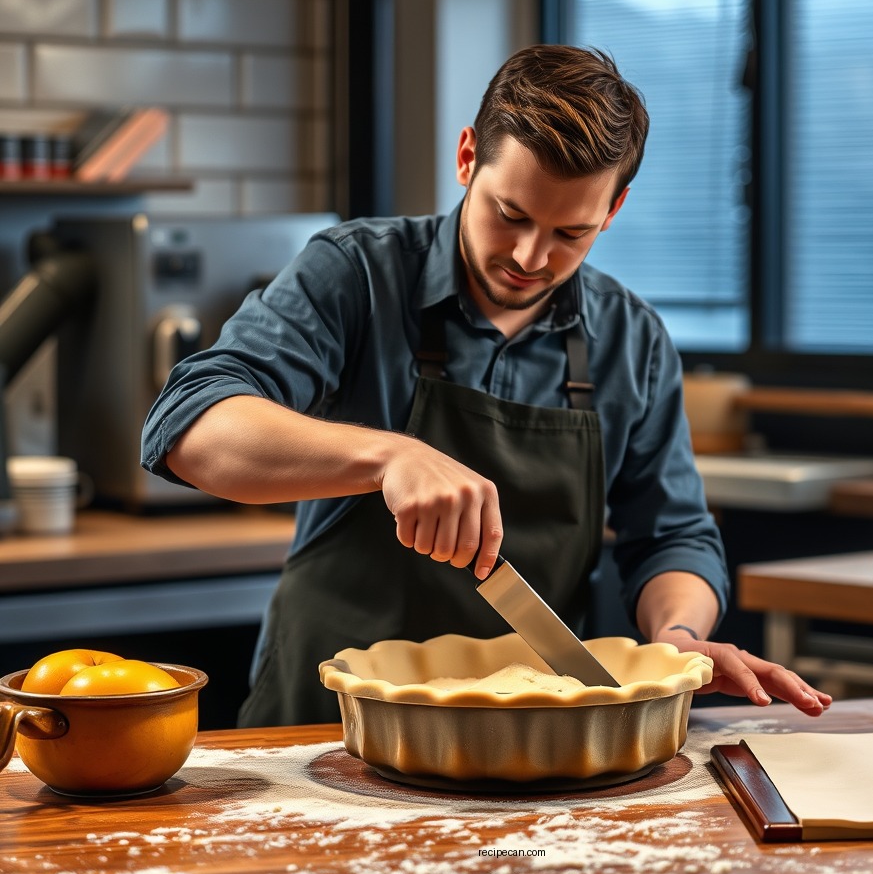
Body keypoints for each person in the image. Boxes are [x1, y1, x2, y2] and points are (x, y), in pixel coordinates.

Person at [142, 44, 831, 727]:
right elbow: (189, 430)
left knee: (513, 853)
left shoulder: (632, 339)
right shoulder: (355, 275)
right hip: (326, 724)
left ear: (615, 209)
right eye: (511, 215)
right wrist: (390, 457)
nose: (532, 258)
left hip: (533, 735)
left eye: (572, 232)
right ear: (467, 157)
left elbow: (673, 536)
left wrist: (677, 644)